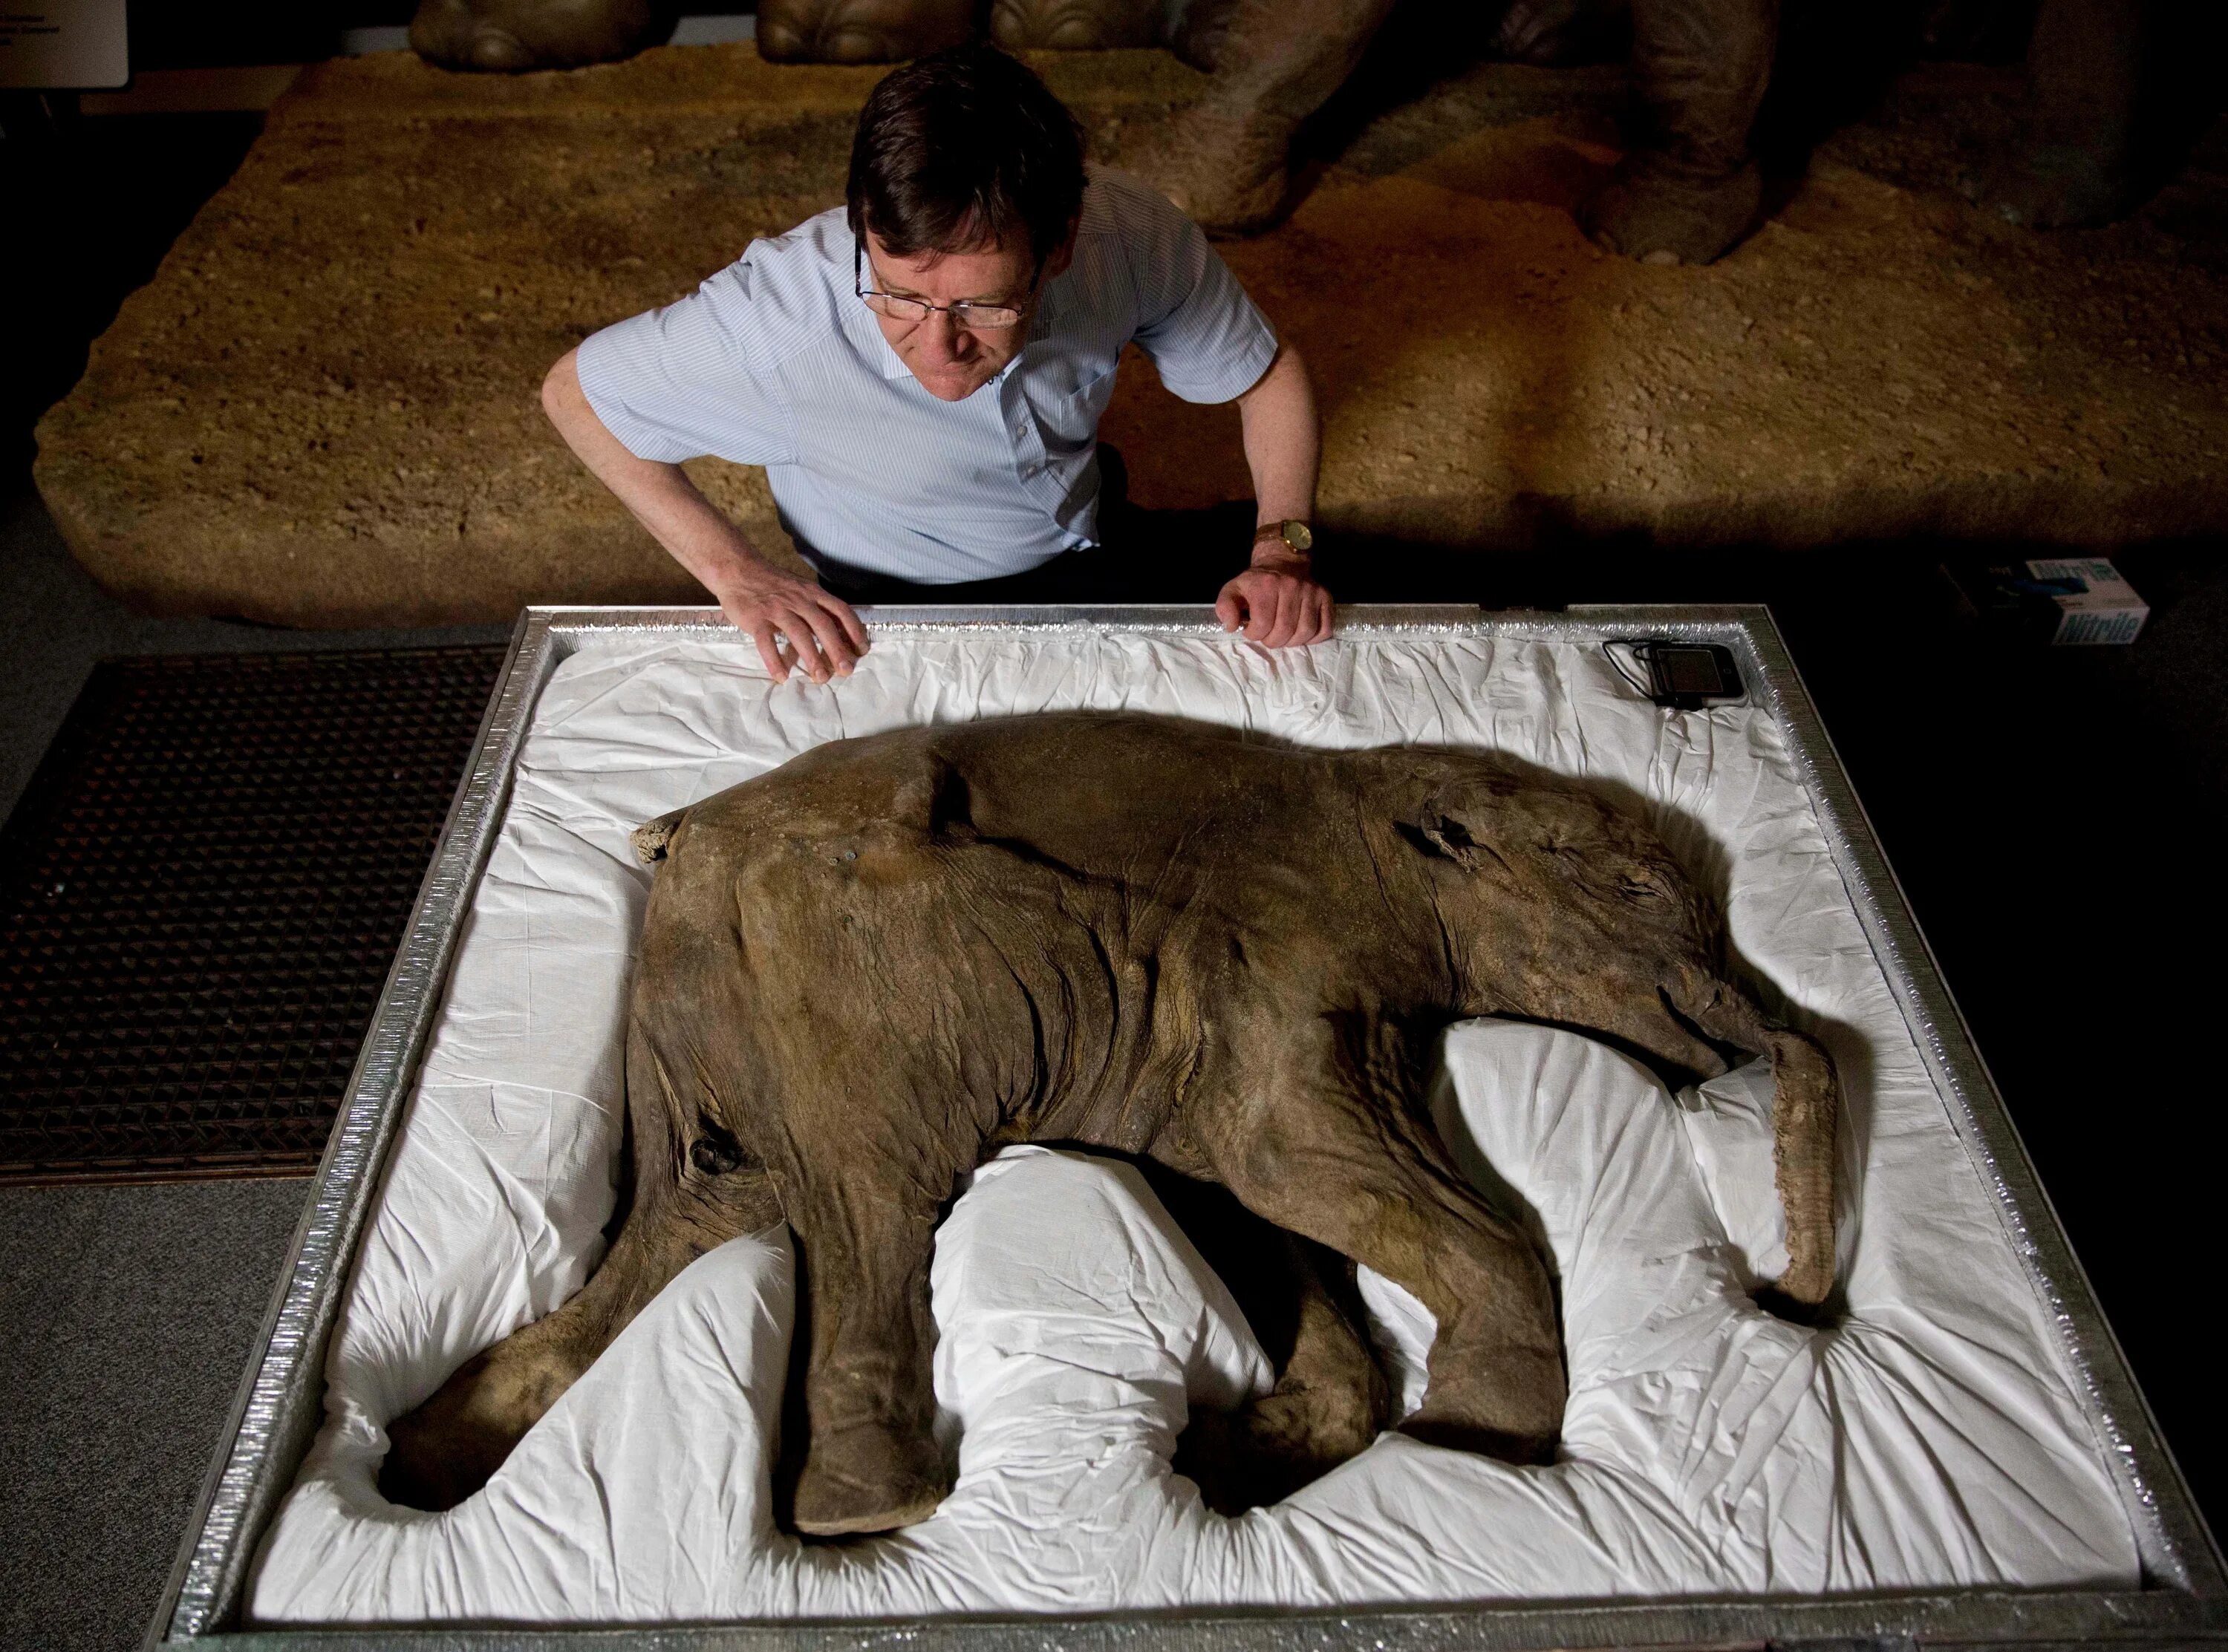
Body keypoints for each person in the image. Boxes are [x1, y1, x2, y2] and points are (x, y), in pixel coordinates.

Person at [541, 42, 1332, 685]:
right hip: (890, 600)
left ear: (1060, 244)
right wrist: (735, 573)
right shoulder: (772, 319)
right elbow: (574, 393)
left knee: (1314, 630)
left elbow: (1267, 373)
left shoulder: (1127, 235)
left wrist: (1281, 550)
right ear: (862, 229)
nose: (938, 347)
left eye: (984, 306)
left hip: (1089, 528)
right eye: (899, 296)